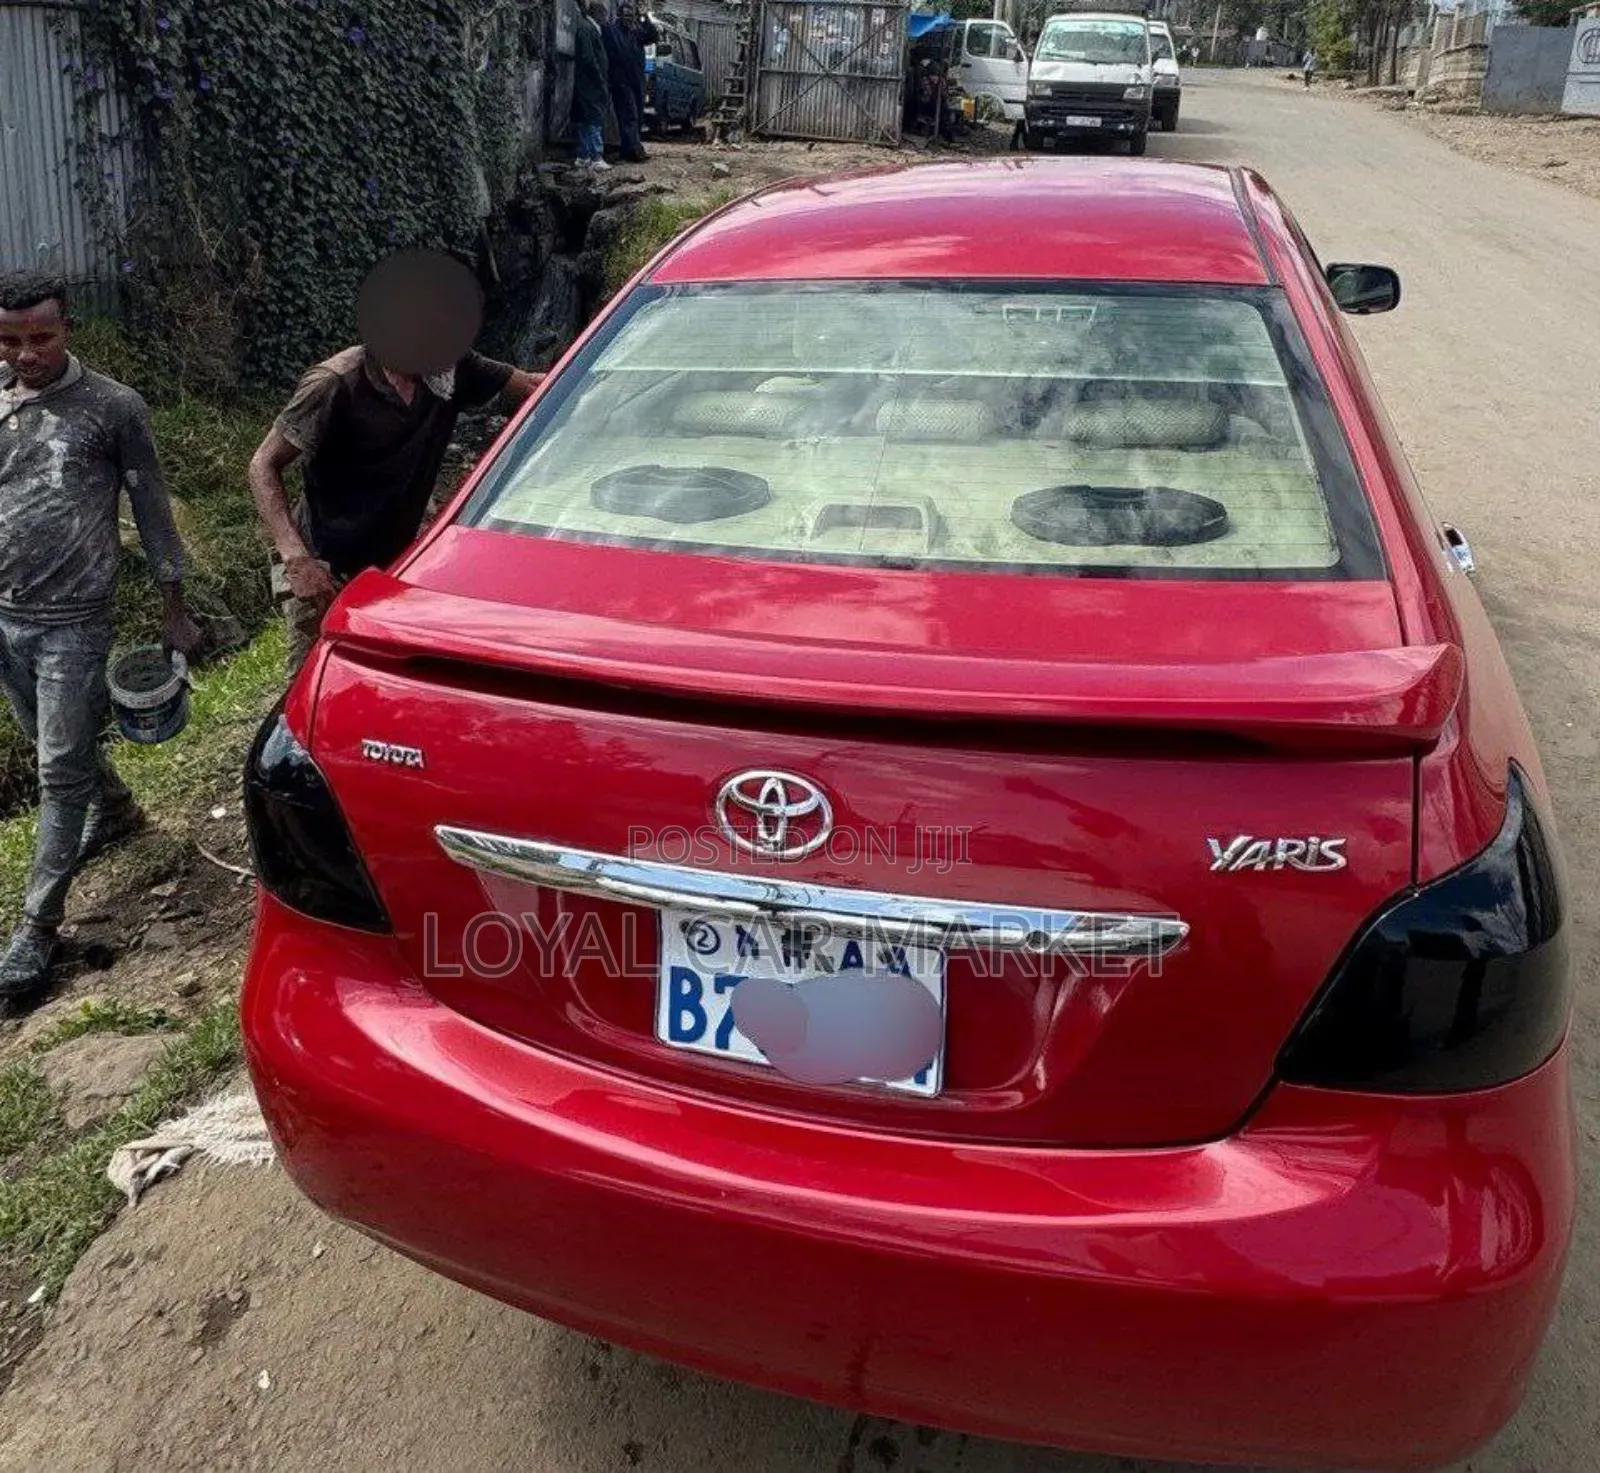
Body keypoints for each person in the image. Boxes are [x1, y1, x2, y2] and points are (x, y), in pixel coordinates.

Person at [0, 273, 203, 1001]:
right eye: (10, 339)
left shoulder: (111, 409)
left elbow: (152, 511)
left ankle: (35, 928)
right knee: (46, 740)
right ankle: (115, 812)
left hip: (74, 621)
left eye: (41, 337)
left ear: (69, 328)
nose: (26, 354)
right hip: (4, 613)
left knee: (57, 770)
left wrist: (174, 604)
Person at [248, 250, 542, 677]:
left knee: (389, 674)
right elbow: (262, 465)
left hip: (397, 557)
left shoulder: (450, 365)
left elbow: (533, 387)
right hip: (326, 560)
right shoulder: (335, 384)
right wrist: (296, 560)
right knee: (315, 675)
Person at [603, 3, 658, 165]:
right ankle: (632, 150)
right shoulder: (612, 31)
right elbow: (615, 54)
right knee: (629, 114)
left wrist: (645, 17)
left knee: (638, 115)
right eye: (626, 16)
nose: (629, 19)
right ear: (620, 16)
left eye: (631, 16)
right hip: (621, 81)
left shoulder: (636, 31)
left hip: (637, 80)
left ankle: (631, 148)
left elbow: (653, 37)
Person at [574, 1, 612, 170]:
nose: (605, 19)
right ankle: (596, 156)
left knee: (584, 119)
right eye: (604, 15)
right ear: (597, 13)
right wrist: (600, 80)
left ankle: (583, 156)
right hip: (590, 84)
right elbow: (588, 58)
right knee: (594, 118)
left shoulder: (589, 28)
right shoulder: (587, 28)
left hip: (587, 83)